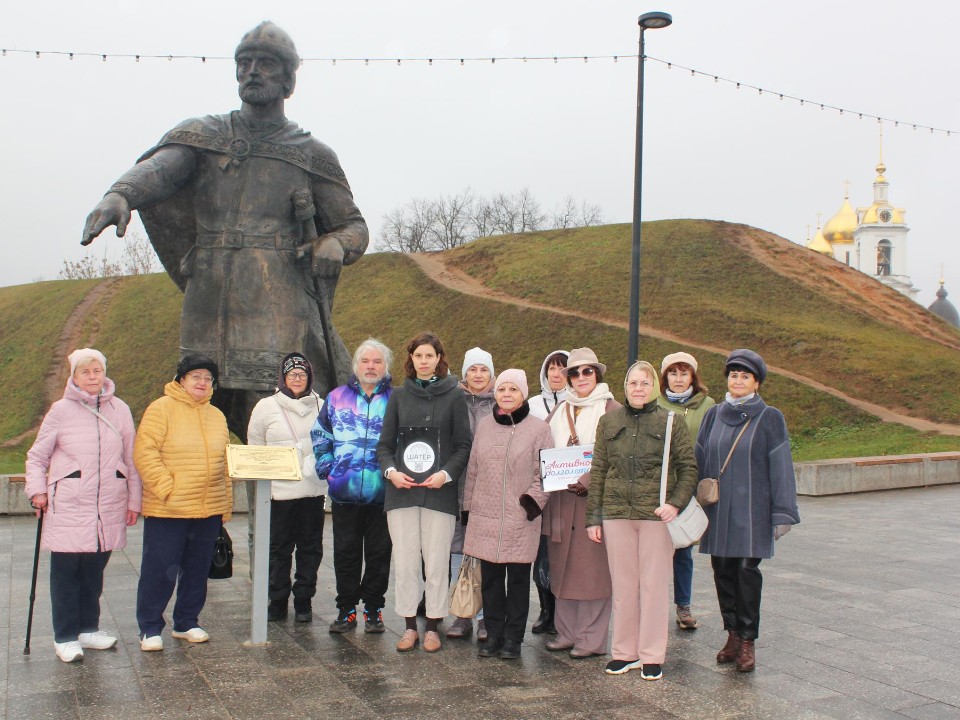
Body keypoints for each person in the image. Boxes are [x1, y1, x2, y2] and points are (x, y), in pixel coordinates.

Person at [81, 21, 369, 439]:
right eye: (244, 63)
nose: (252, 71)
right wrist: (120, 194)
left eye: (266, 64)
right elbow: (161, 169)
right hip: (209, 295)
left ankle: (269, 506)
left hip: (275, 303)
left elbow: (354, 227)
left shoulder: (310, 154)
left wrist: (335, 244)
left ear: (289, 80)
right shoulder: (206, 135)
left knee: (269, 418)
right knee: (196, 411)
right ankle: (201, 504)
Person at [25, 349, 142, 663]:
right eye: (85, 372)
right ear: (74, 377)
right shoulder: (60, 411)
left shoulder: (120, 410)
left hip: (108, 504)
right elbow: (37, 457)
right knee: (65, 573)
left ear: (104, 373)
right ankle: (64, 636)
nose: (92, 377)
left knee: (94, 571)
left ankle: (88, 628)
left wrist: (134, 499)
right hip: (70, 503)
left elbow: (130, 459)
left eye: (97, 371)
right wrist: (37, 491)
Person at [586, 361, 698, 680]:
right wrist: (593, 518)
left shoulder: (670, 422)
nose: (638, 388)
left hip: (655, 516)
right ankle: (624, 652)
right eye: (633, 383)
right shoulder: (609, 422)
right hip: (616, 513)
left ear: (654, 387)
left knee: (652, 586)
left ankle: (651, 654)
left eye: (645, 383)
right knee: (623, 587)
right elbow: (599, 471)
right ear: (625, 386)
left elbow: (688, 468)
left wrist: (674, 503)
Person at [696, 349, 801, 672]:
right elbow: (699, 458)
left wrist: (783, 513)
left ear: (756, 383)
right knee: (723, 571)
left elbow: (781, 465)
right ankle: (731, 633)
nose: (737, 380)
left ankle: (747, 640)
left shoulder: (769, 418)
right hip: (718, 510)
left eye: (744, 376)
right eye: (733, 374)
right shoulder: (713, 414)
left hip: (752, 512)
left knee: (745, 572)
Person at [377, 332, 472, 653]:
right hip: (401, 492)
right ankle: (407, 626)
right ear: (412, 359)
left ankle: (432, 626)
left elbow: (463, 445)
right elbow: (385, 446)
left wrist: (445, 475)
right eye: (419, 356)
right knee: (404, 563)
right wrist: (391, 471)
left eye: (429, 356)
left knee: (435, 563)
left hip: (438, 493)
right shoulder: (398, 397)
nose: (424, 361)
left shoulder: (455, 397)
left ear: (439, 359)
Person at [134, 354, 231, 651]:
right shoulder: (161, 409)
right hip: (169, 508)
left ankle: (187, 621)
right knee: (159, 569)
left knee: (196, 570)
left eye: (207, 378)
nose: (202, 382)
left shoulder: (216, 415)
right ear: (181, 380)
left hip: (207, 508)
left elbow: (225, 461)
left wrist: (224, 504)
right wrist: (168, 489)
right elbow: (145, 453)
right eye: (196, 377)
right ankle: (150, 627)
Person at [463, 369, 553, 660]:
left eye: (513, 390)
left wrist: (532, 502)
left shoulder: (539, 429)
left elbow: (544, 473)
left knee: (516, 582)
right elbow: (473, 470)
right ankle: (493, 634)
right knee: (489, 581)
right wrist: (467, 508)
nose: (506, 395)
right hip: (485, 516)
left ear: (523, 393)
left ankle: (513, 638)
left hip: (520, 517)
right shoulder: (486, 426)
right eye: (502, 389)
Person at [312, 339, 393, 634]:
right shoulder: (336, 397)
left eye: (377, 362)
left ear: (385, 368)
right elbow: (321, 435)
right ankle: (346, 609)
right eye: (365, 361)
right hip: (344, 493)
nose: (370, 367)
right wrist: (328, 469)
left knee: (379, 554)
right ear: (356, 365)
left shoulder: (396, 400)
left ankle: (373, 608)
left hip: (383, 493)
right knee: (345, 553)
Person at [541, 347, 618, 659]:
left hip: (593, 501)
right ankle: (567, 632)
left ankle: (592, 639)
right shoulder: (561, 410)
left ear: (597, 374)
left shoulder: (612, 410)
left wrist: (588, 479)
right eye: (575, 372)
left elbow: (616, 456)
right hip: (561, 500)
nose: (581, 377)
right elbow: (542, 445)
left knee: (593, 574)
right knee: (563, 570)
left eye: (588, 371)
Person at [247, 352, 325, 624]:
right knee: (278, 549)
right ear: (283, 377)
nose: (297, 379)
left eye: (302, 375)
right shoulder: (265, 407)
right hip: (278, 492)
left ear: (309, 378)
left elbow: (329, 443)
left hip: (312, 490)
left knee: (310, 548)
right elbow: (255, 445)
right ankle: (277, 598)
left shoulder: (321, 405)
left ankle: (304, 598)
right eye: (292, 374)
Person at [656, 351, 716, 631]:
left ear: (693, 376)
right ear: (664, 376)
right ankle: (652, 603)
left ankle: (683, 605)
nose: (678, 379)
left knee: (682, 548)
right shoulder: (654, 403)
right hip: (655, 486)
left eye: (684, 373)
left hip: (687, 486)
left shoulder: (707, 406)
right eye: (673, 373)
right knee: (653, 548)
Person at [446, 347, 496, 642]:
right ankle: (461, 612)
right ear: (465, 373)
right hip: (457, 487)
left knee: (487, 553)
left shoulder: (500, 403)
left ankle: (485, 616)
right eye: (473, 370)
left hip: (489, 491)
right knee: (457, 550)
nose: (478, 375)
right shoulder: (453, 400)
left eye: (484, 370)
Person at [527, 349, 568, 635]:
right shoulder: (532, 405)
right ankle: (545, 610)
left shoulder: (577, 403)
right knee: (541, 552)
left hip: (567, 487)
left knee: (564, 552)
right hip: (539, 485)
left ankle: (563, 611)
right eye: (552, 368)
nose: (557, 374)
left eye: (563, 369)